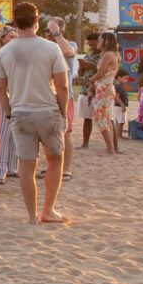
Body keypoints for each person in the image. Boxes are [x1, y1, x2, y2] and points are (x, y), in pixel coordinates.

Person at [0, 2, 70, 225]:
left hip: (20, 113)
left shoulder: (4, 51)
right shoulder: (50, 48)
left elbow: (0, 87)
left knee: (27, 166)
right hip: (48, 111)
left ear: (15, 23)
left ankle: (31, 216)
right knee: (55, 160)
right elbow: (62, 86)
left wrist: (9, 112)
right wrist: (63, 113)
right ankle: (48, 210)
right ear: (36, 21)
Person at [46, 18, 79, 180]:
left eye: (50, 30)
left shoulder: (70, 44)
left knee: (66, 133)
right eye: (48, 31)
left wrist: (57, 34)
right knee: (48, 134)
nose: (49, 34)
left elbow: (68, 52)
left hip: (65, 95)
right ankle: (52, 166)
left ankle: (66, 169)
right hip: (46, 96)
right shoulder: (45, 45)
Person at [0, 25, 20, 185]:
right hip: (4, 97)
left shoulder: (19, 54)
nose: (14, 39)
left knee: (16, 134)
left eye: (16, 36)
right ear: (2, 38)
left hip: (18, 96)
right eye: (11, 36)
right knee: (3, 134)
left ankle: (12, 168)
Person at [87, 32, 120, 157]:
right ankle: (110, 149)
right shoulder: (110, 54)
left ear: (105, 41)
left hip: (104, 89)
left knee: (101, 119)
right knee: (105, 119)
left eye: (100, 40)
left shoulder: (108, 55)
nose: (98, 42)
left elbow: (100, 74)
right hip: (104, 88)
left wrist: (90, 79)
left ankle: (111, 150)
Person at [76, 33, 102, 149]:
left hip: (100, 91)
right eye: (90, 45)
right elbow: (80, 74)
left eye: (94, 44)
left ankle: (112, 144)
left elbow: (106, 72)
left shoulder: (105, 56)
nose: (92, 47)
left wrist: (94, 67)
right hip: (86, 90)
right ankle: (85, 143)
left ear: (100, 43)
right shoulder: (88, 56)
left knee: (106, 118)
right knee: (87, 118)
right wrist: (81, 66)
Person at [113, 69, 130, 142]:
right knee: (121, 121)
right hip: (119, 106)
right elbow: (117, 97)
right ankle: (119, 135)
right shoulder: (118, 86)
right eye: (125, 78)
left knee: (118, 120)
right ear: (119, 77)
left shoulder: (120, 86)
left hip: (118, 106)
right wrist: (123, 105)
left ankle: (117, 134)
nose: (127, 80)